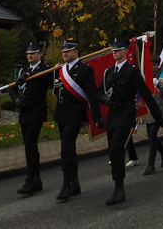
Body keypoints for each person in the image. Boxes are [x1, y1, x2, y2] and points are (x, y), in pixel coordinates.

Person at [100, 39, 163, 205]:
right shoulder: (108, 72)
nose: (114, 52)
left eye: (118, 50)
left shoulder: (131, 71)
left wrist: (158, 116)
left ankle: (119, 188)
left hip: (125, 113)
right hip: (113, 114)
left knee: (117, 149)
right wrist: (103, 99)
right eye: (113, 50)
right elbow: (99, 91)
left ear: (125, 51)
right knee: (112, 150)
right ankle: (117, 185)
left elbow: (145, 92)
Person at [53, 39, 104, 202]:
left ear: (76, 51)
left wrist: (96, 116)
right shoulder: (61, 69)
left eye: (68, 50)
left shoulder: (84, 69)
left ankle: (66, 184)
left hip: (75, 113)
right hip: (61, 112)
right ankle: (75, 183)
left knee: (66, 148)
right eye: (63, 51)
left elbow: (91, 94)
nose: (65, 53)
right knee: (68, 149)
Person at [8, 42, 53, 196]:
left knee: (30, 144)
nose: (30, 55)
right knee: (29, 146)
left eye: (33, 53)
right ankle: (36, 180)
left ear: (40, 54)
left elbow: (54, 85)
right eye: (28, 53)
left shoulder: (45, 70)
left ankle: (30, 180)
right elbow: (12, 89)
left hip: (36, 111)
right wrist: (16, 100)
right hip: (24, 111)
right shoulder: (23, 70)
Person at [144, 55, 163, 175]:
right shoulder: (146, 76)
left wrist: (158, 84)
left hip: (160, 109)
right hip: (150, 109)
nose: (151, 67)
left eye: (154, 64)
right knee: (150, 136)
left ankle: (151, 164)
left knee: (153, 134)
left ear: (158, 65)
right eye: (150, 64)